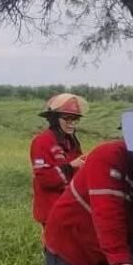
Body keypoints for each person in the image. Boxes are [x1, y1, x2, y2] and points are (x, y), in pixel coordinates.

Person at [30, 93, 89, 226]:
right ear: (55, 119)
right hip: (51, 210)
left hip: (70, 208)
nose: (71, 124)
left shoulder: (71, 141)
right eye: (67, 119)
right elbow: (44, 178)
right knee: (54, 247)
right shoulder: (42, 141)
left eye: (75, 119)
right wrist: (71, 166)